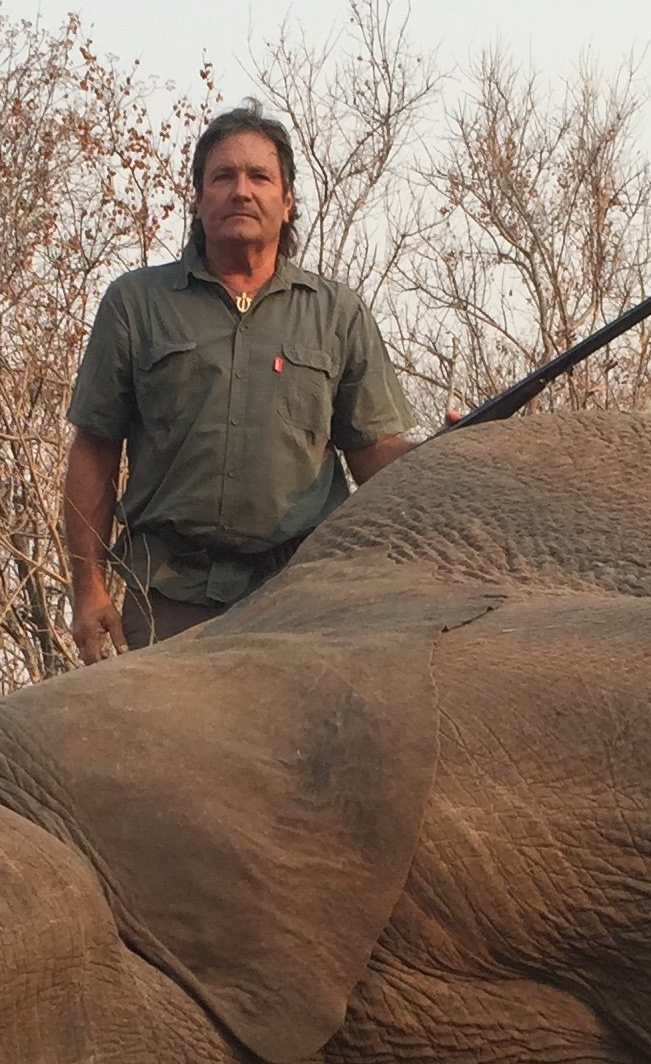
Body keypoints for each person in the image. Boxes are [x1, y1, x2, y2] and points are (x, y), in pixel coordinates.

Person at [63, 107, 412, 659]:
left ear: (287, 201)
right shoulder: (135, 304)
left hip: (306, 596)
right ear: (199, 201)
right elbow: (93, 452)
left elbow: (377, 456)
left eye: (259, 177)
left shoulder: (337, 314)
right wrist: (88, 590)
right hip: (169, 598)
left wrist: (451, 459)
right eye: (222, 177)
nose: (241, 191)